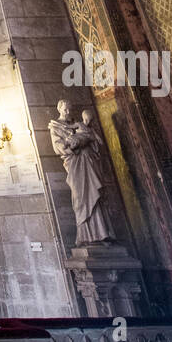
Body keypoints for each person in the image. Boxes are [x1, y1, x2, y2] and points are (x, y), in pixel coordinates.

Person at [49, 98, 113, 244]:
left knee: (96, 195)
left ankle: (103, 233)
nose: (68, 112)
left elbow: (96, 142)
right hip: (75, 165)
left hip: (89, 163)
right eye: (65, 109)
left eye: (69, 109)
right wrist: (74, 143)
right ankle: (86, 236)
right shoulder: (56, 127)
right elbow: (59, 147)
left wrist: (84, 138)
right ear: (59, 109)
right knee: (80, 198)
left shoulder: (80, 125)